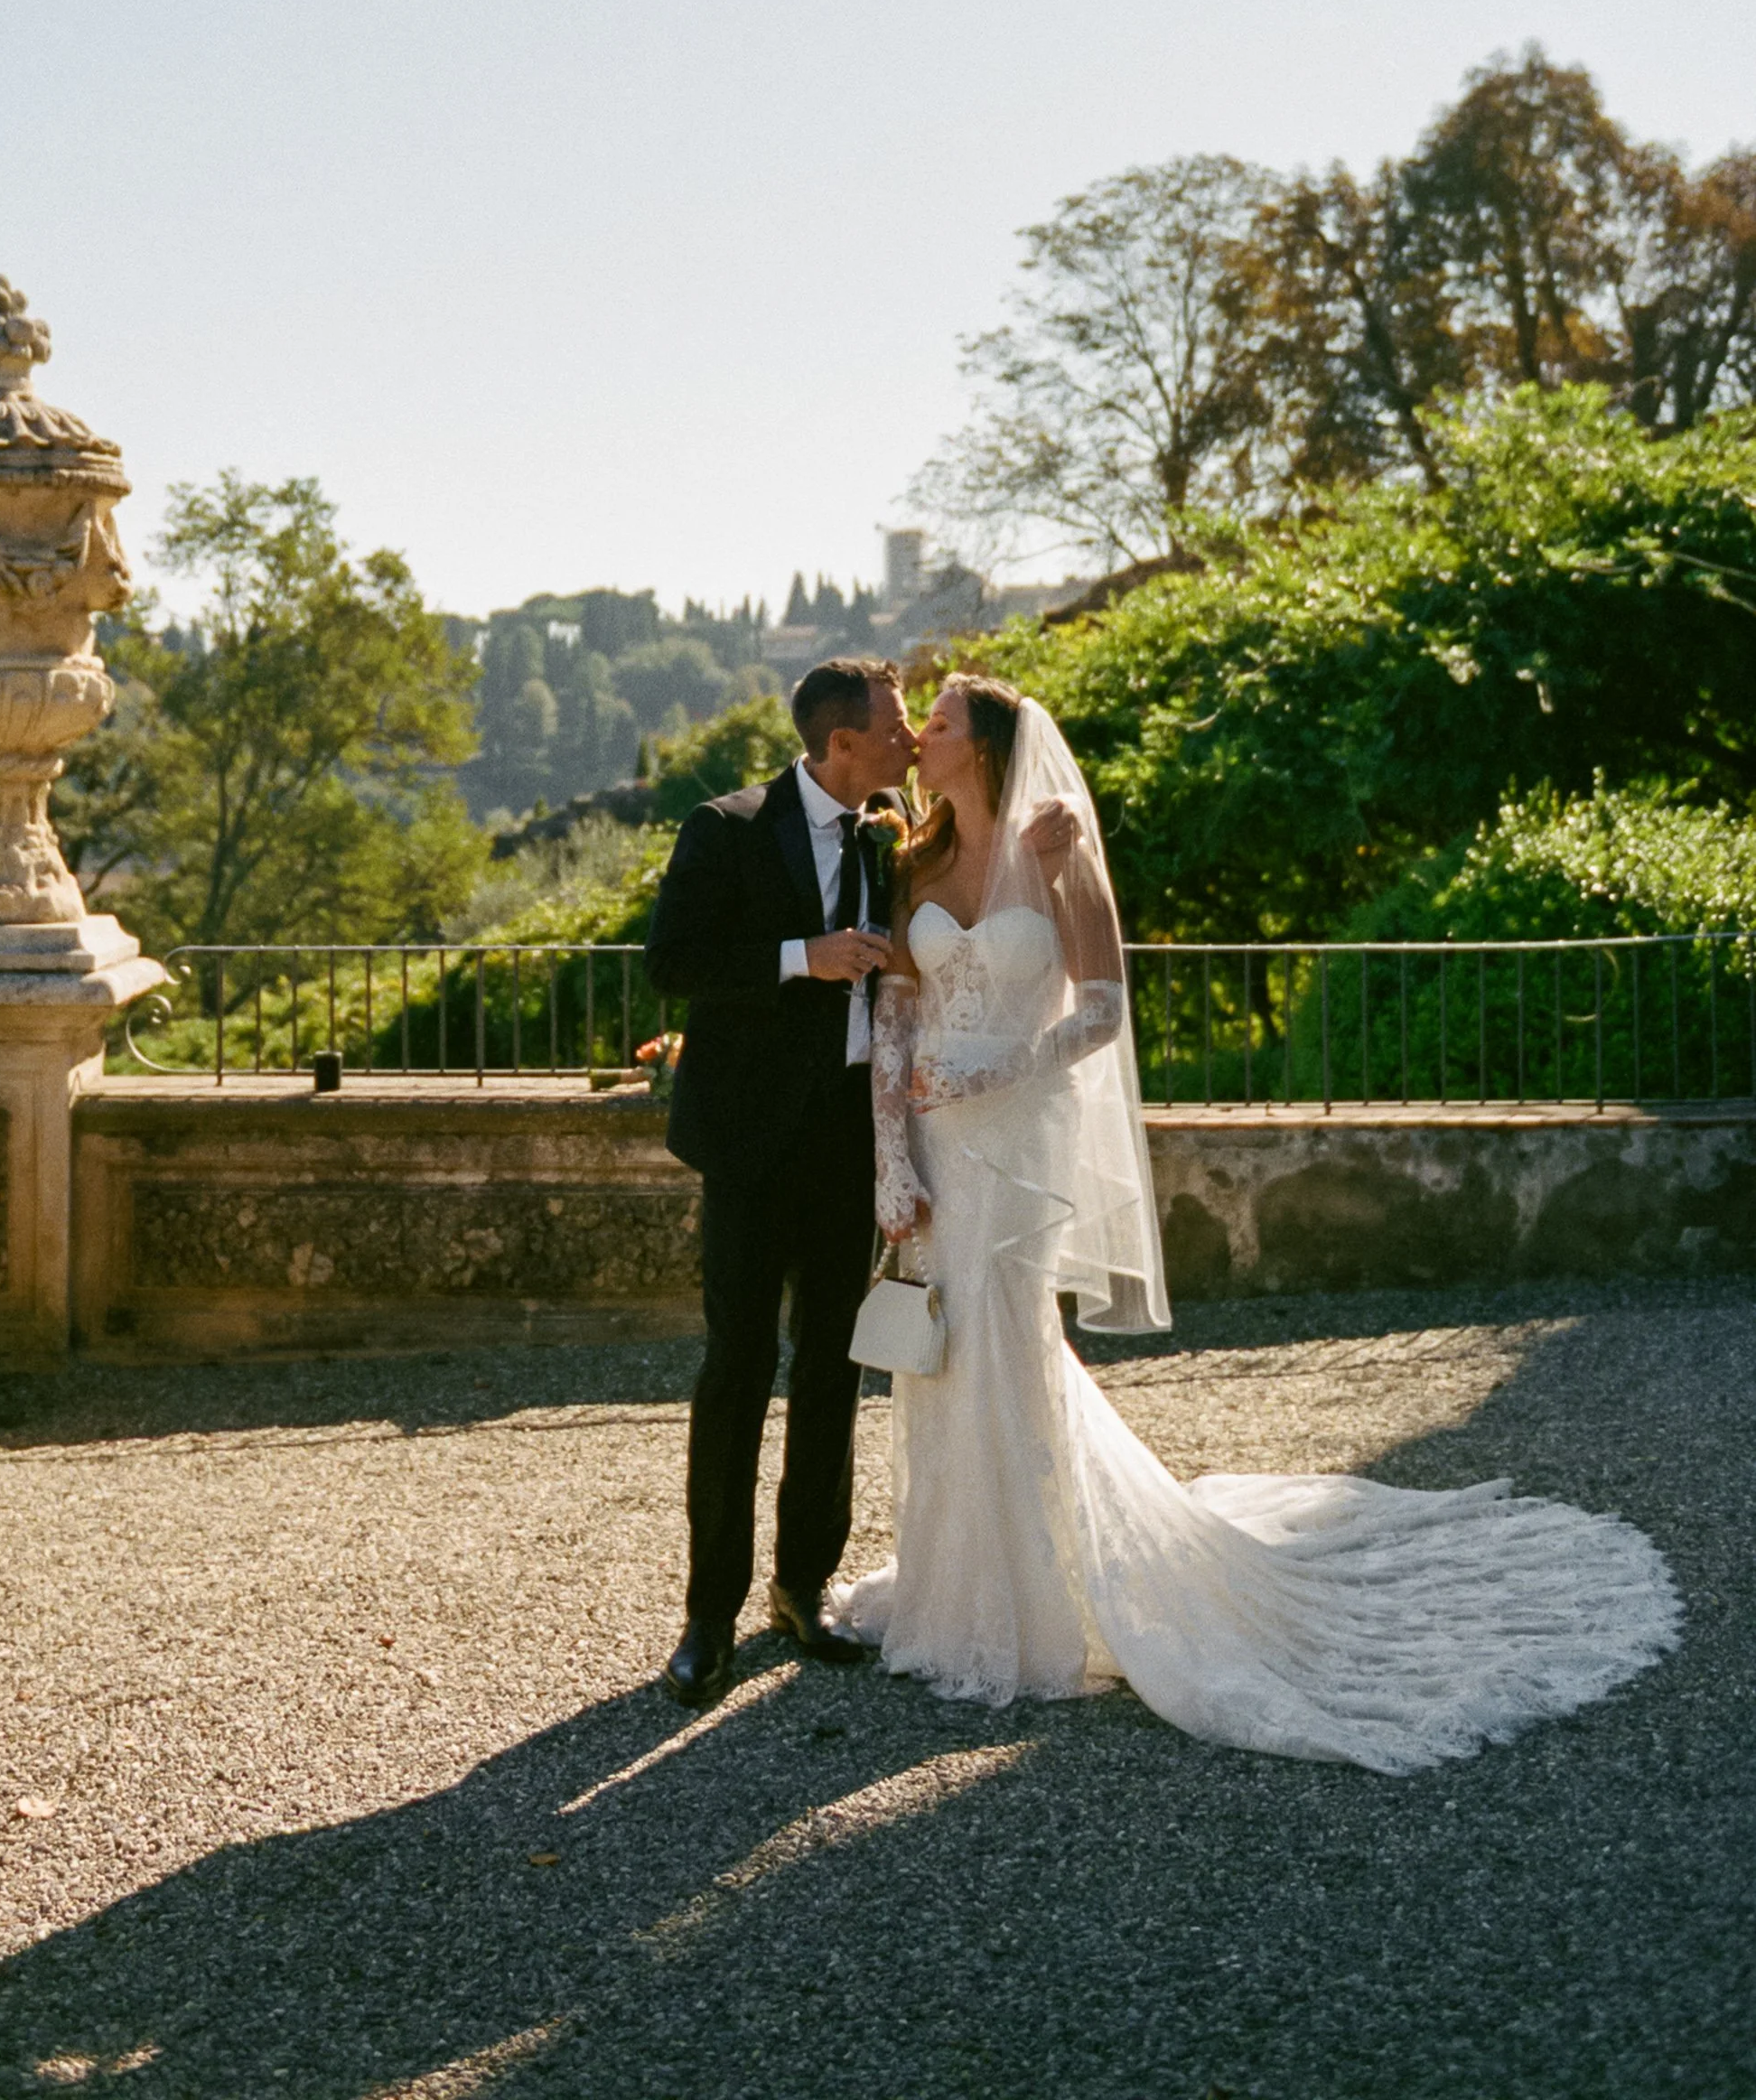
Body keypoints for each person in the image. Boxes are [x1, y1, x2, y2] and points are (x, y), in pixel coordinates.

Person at [835, 671, 1682, 1773]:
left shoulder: (1052, 846)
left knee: (1010, 1340)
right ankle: (953, 1592)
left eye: (938, 721)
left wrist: (1001, 1062)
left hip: (1018, 1135)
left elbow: (1100, 1007)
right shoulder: (914, 861)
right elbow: (895, 1012)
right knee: (944, 1361)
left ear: (986, 747)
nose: (919, 735)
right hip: (939, 1145)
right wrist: (891, 1165)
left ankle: (1035, 1601)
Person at [644, 656, 920, 1708]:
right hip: (751, 1147)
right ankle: (706, 1614)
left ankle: (800, 1588)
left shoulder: (893, 827)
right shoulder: (724, 826)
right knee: (736, 1367)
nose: (903, 741)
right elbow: (672, 962)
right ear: (839, 742)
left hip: (850, 1143)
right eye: (892, 726)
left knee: (830, 1373)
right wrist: (799, 957)